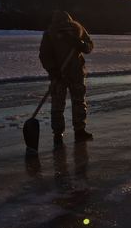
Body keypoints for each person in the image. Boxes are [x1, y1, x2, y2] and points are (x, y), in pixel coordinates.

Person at [39, 10, 94, 148]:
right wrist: (53, 70)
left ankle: (66, 133)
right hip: (61, 75)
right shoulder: (51, 34)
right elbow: (45, 55)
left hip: (74, 73)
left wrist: (79, 44)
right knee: (70, 103)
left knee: (69, 103)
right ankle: (68, 132)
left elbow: (89, 46)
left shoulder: (77, 30)